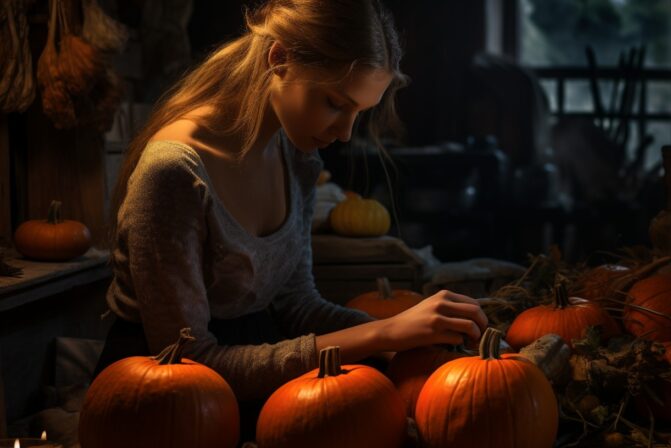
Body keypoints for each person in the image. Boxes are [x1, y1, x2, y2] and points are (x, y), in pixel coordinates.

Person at [95, 0, 488, 441]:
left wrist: (405, 334)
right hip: (167, 407)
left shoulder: (294, 157)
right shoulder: (174, 172)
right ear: (279, 59)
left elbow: (298, 305)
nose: (345, 133)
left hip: (263, 374)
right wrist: (383, 332)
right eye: (335, 103)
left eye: (359, 112)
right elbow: (193, 363)